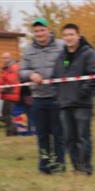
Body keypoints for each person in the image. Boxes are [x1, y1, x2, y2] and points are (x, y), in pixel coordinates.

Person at [20, 17, 66, 174]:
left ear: (48, 30)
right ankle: (44, 166)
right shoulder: (28, 49)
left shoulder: (61, 45)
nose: (39, 33)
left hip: (57, 96)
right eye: (36, 31)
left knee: (58, 134)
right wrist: (31, 74)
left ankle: (59, 166)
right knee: (42, 135)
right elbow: (22, 71)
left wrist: (63, 73)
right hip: (38, 98)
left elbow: (69, 62)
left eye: (42, 30)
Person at [52, 23, 95, 175]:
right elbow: (54, 78)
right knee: (69, 138)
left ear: (78, 35)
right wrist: (58, 95)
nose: (69, 38)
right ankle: (76, 167)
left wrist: (82, 92)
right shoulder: (61, 56)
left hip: (82, 104)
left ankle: (86, 168)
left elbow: (94, 76)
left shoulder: (88, 53)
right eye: (65, 35)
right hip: (65, 104)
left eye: (71, 34)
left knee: (83, 137)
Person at [0, 52, 21, 136]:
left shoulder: (13, 68)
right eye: (3, 58)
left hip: (11, 94)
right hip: (7, 94)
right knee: (6, 113)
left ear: (10, 58)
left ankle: (12, 131)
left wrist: (2, 88)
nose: (4, 60)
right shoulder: (5, 68)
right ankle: (11, 130)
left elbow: (11, 81)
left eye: (6, 58)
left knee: (7, 114)